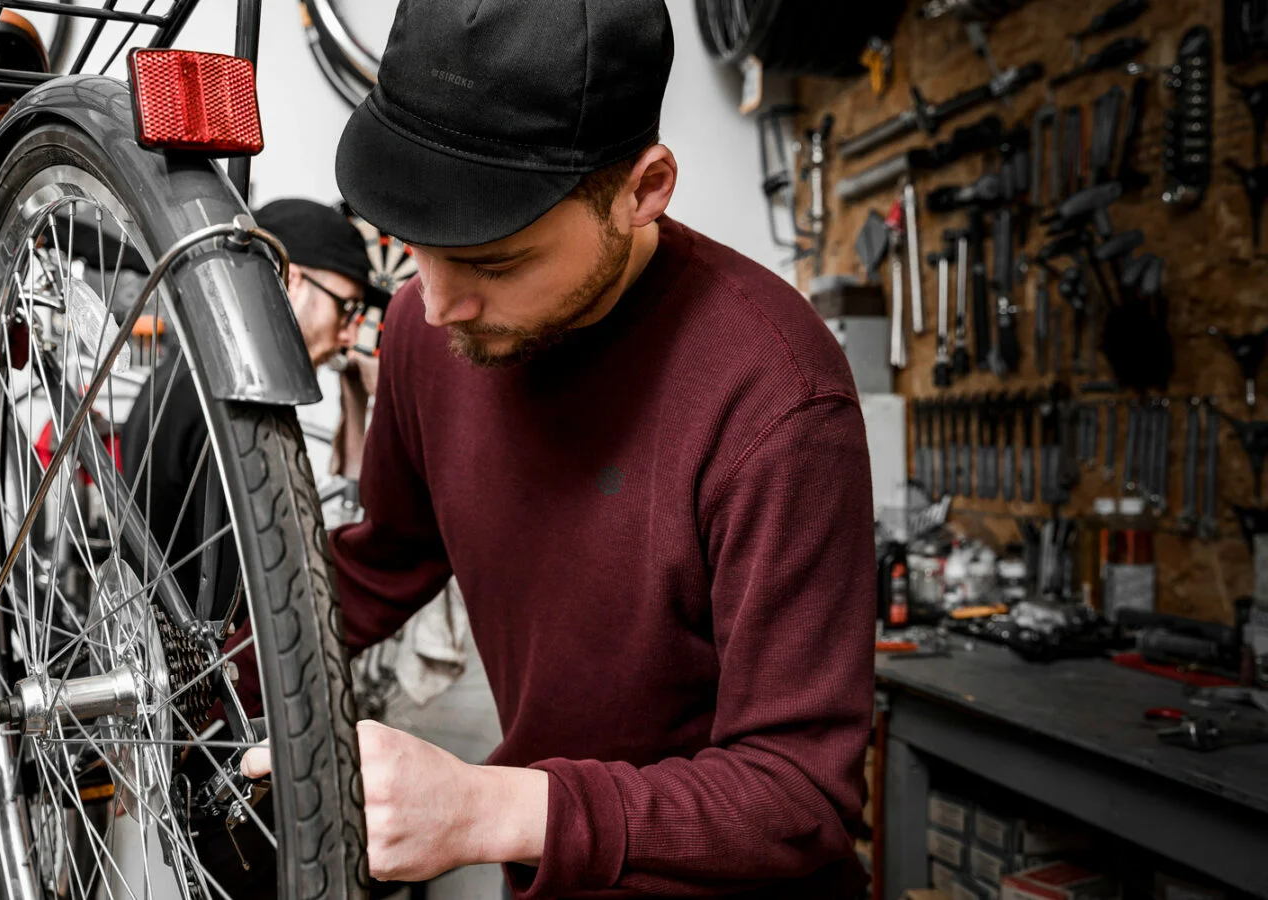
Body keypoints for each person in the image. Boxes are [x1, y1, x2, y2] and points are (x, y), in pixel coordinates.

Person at [241, 1, 877, 896]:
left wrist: (487, 811)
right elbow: (385, 562)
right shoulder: (433, 333)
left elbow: (800, 793)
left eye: (495, 263)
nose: (438, 305)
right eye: (417, 250)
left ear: (644, 188)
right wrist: (184, 660)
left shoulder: (775, 394)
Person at [121, 198, 378, 607]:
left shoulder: (194, 373)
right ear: (291, 280)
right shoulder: (232, 399)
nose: (348, 337)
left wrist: (355, 401)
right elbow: (267, 600)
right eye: (346, 308)